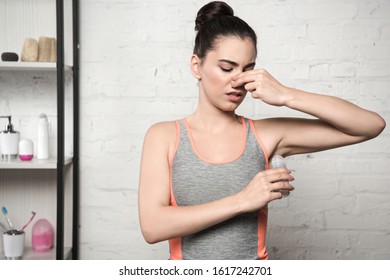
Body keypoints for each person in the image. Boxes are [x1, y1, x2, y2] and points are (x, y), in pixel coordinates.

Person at [138, 1, 386, 260]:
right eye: (226, 68)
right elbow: (153, 226)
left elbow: (370, 125)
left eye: (248, 69)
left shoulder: (265, 135)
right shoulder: (164, 136)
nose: (238, 81)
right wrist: (242, 201)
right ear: (196, 66)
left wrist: (286, 95)